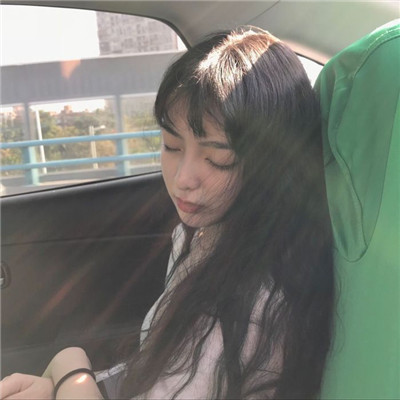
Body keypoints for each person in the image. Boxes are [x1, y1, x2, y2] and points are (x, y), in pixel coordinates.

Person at [0, 27, 334, 399]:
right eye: (171, 145)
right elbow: (161, 368)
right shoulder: (204, 236)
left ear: (272, 164)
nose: (182, 179)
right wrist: (69, 384)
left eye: (217, 158)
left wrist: (70, 364)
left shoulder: (251, 306)